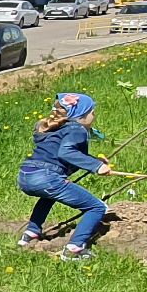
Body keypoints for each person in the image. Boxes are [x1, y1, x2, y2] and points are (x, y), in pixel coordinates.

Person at [16, 91, 114, 262]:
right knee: (97, 208)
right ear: (81, 115)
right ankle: (74, 250)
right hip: (46, 177)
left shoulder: (56, 127)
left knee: (48, 197)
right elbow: (67, 152)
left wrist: (93, 160)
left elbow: (59, 154)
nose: (94, 115)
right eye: (92, 112)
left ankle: (30, 234)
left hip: (26, 175)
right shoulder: (78, 129)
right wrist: (96, 166)